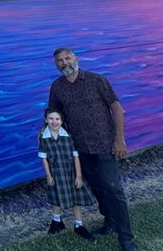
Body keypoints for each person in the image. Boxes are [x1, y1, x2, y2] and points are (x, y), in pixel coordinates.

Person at [47, 47, 137, 251]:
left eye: (67, 58)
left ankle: (126, 238)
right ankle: (110, 222)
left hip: (104, 144)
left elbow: (116, 108)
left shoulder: (97, 80)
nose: (64, 63)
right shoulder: (57, 87)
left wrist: (119, 139)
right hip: (79, 149)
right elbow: (53, 113)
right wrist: (46, 130)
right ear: (56, 64)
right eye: (59, 60)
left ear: (75, 58)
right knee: (97, 188)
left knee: (113, 189)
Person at [38, 108, 96, 241]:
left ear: (62, 121)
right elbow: (43, 157)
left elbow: (75, 156)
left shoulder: (68, 136)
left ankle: (78, 225)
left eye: (57, 119)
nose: (54, 121)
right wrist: (48, 175)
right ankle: (57, 221)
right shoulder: (43, 137)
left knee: (76, 199)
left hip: (70, 173)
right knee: (55, 197)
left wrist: (79, 176)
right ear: (46, 120)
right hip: (55, 173)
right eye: (51, 119)